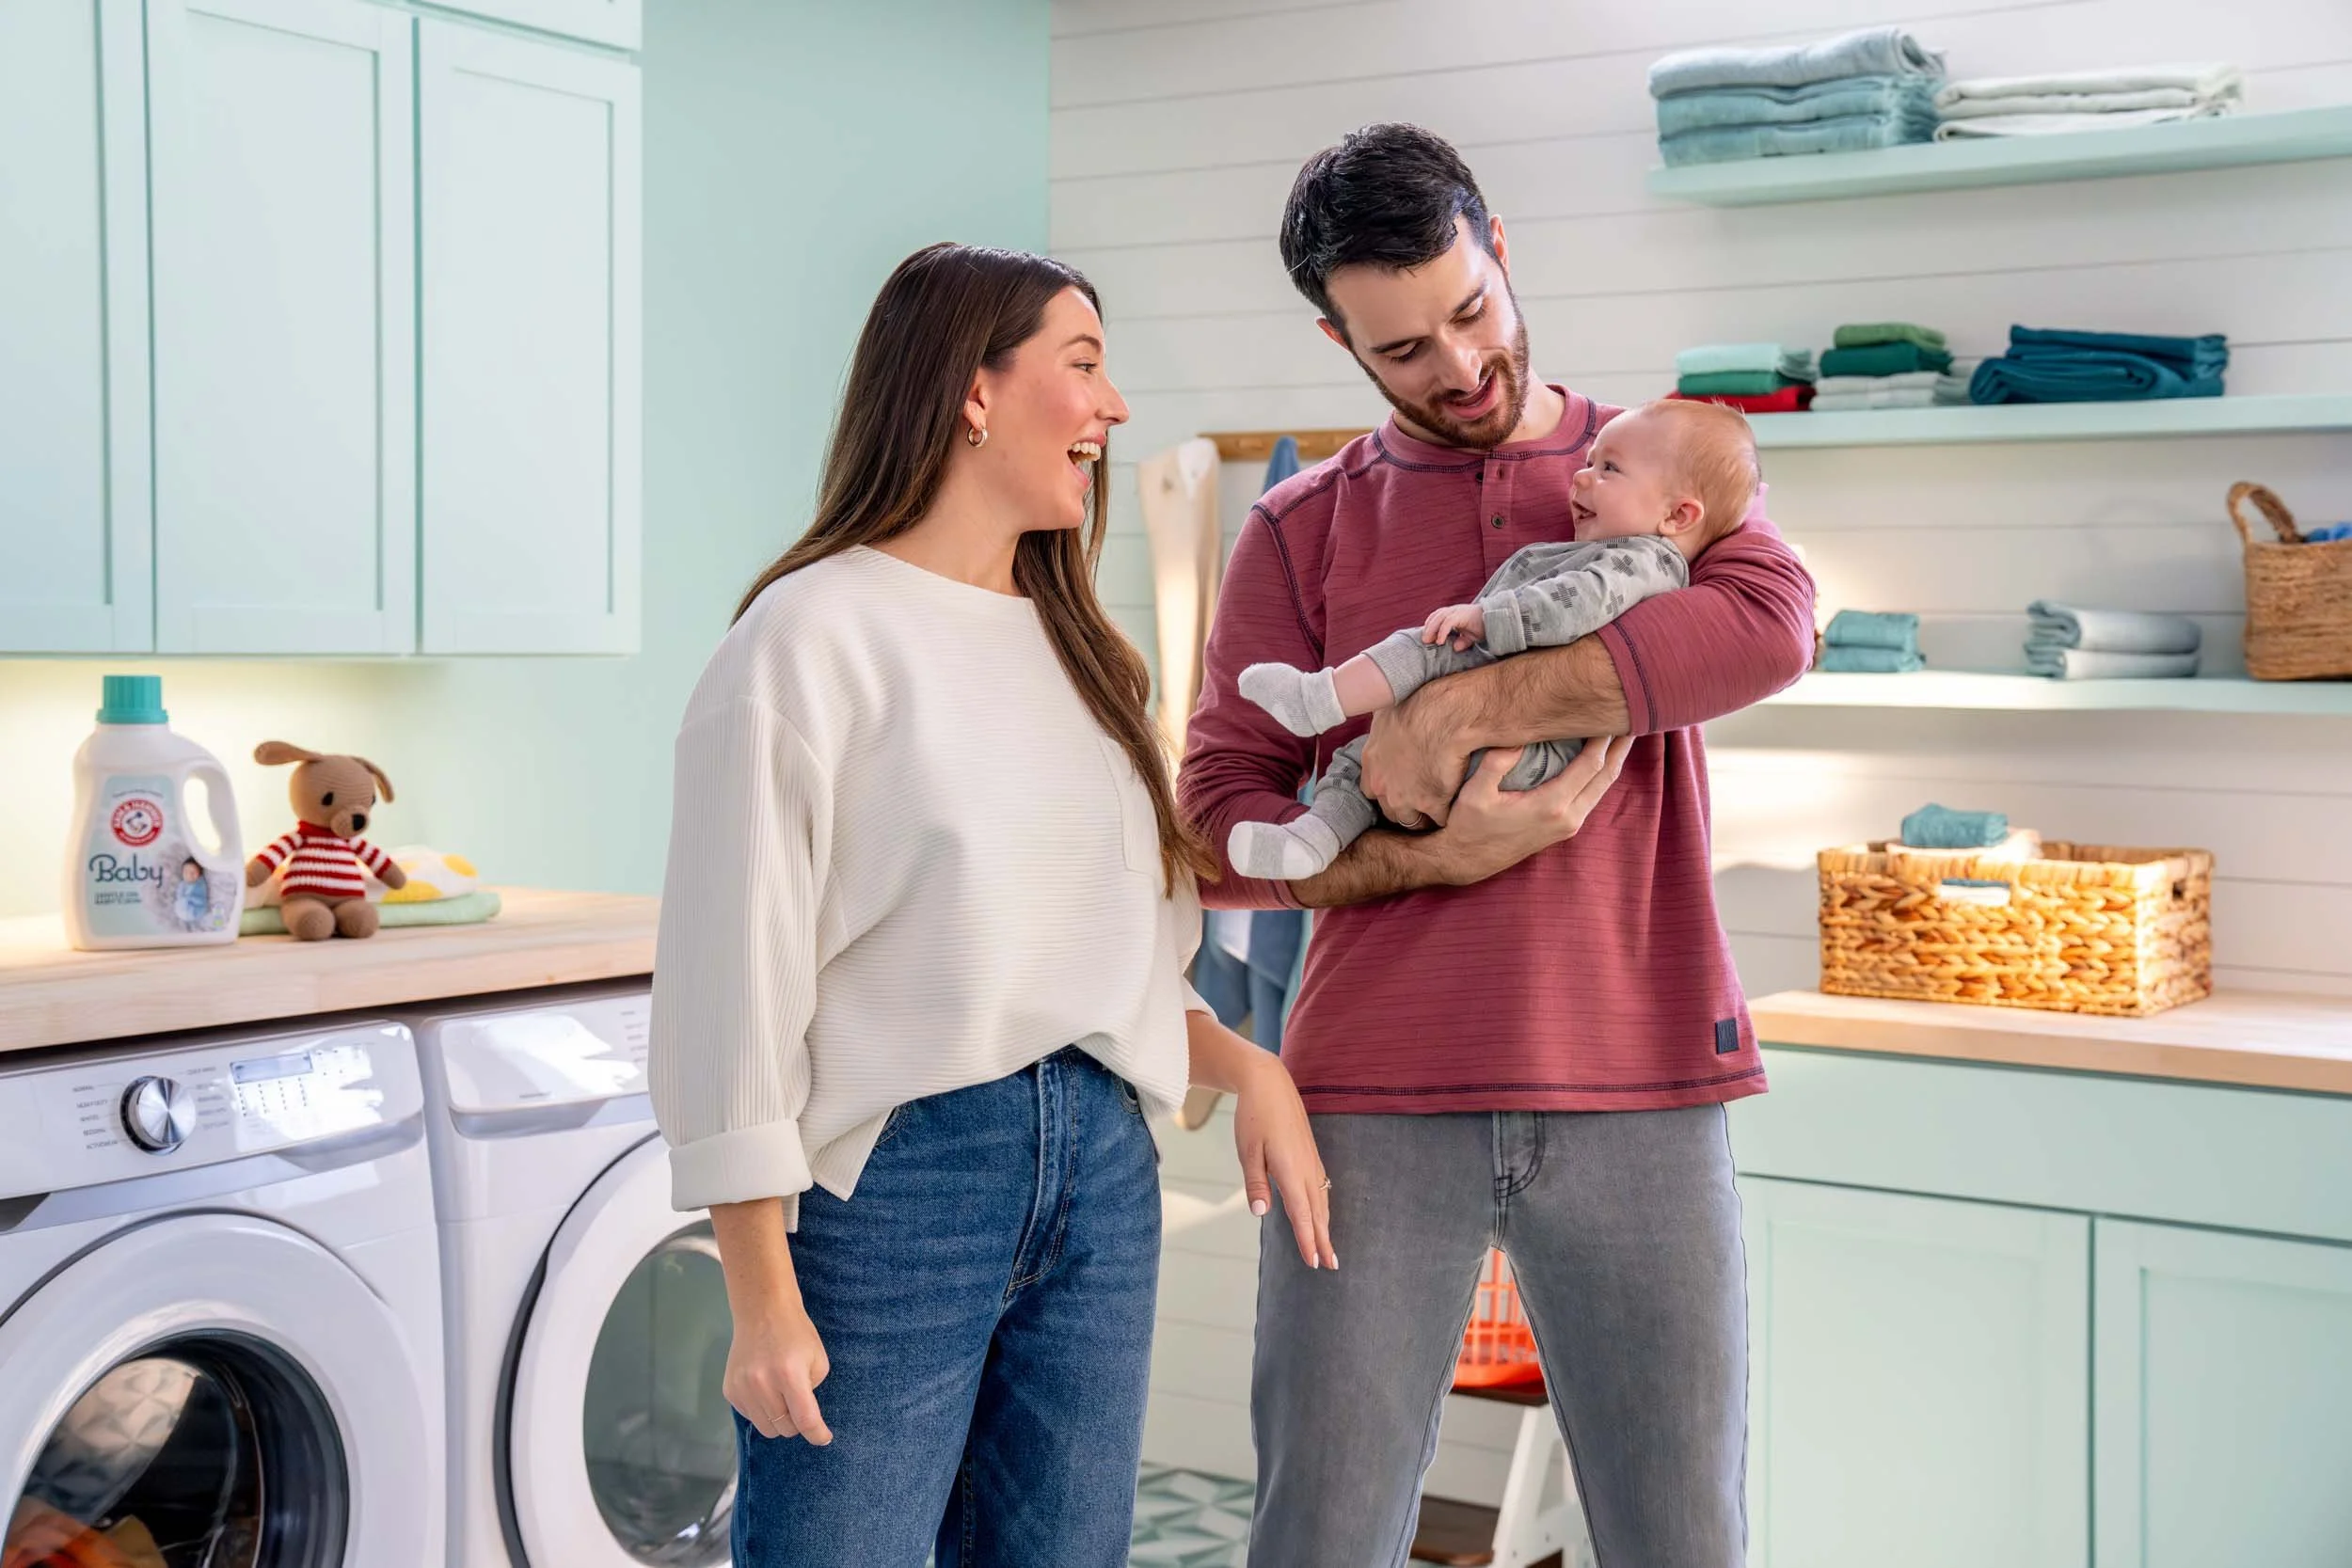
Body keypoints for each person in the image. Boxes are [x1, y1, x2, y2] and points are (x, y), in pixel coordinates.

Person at [1177, 125, 1817, 1568]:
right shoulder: (1294, 529)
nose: (1460, 369)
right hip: (1365, 1098)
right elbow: (1217, 821)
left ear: (1503, 250)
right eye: (1403, 349)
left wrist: (1457, 712)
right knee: (1319, 1534)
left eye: (1472, 313)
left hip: (1643, 1074)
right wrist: (1426, 854)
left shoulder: (1651, 473)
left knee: (1683, 1535)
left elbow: (1774, 625)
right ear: (1337, 336)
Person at [648, 243, 1335, 1568]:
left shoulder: (1082, 648)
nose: (1115, 407)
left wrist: (1247, 1061)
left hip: (1102, 1174)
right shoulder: (808, 637)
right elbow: (735, 981)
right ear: (975, 389)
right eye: (1084, 366)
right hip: (898, 1183)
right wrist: (758, 1288)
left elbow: (1106, 958)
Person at [1229, 399, 1759, 879]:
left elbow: (1580, 601)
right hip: (1511, 753)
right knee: (1356, 760)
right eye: (1589, 462)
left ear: (1678, 515)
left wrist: (1489, 619)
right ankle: (1311, 842)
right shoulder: (1303, 512)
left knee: (1423, 647)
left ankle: (1320, 700)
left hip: (1525, 757)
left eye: (1608, 470)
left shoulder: (1643, 560)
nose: (1580, 478)